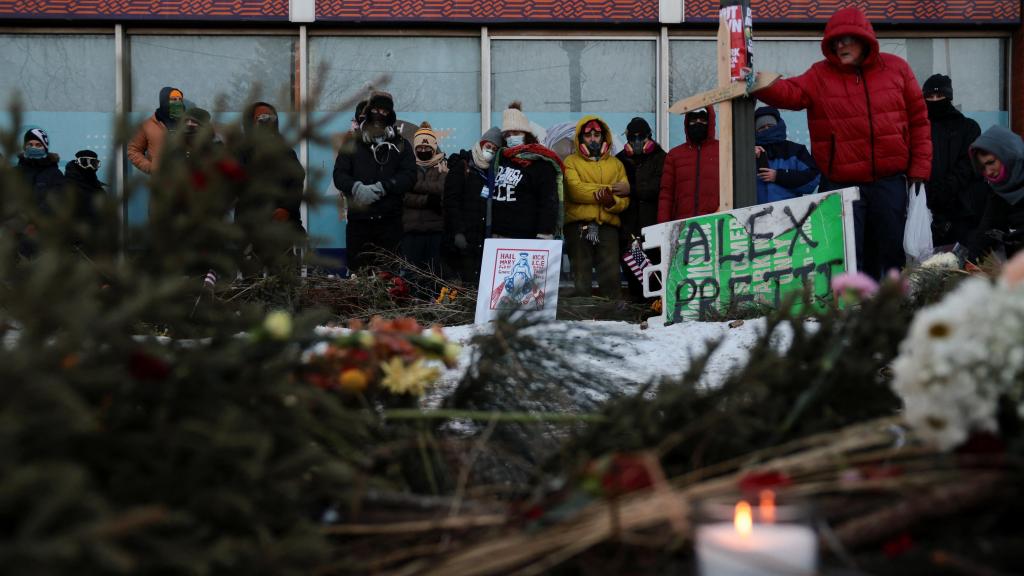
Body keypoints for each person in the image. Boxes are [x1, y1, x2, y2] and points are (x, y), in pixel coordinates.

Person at [755, 6, 932, 279]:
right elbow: (791, 92)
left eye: (846, 38)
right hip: (843, 183)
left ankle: (891, 308)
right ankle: (852, 313)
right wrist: (756, 83)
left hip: (890, 181)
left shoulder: (897, 69)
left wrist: (919, 169)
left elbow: (920, 121)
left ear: (864, 39)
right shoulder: (819, 75)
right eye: (835, 41)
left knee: (890, 252)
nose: (840, 45)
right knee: (848, 255)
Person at [332, 90, 416, 272]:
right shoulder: (351, 143)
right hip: (359, 223)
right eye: (376, 109)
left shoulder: (401, 145)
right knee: (359, 277)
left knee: (389, 278)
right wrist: (355, 187)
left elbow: (409, 176)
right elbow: (339, 174)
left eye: (385, 112)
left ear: (390, 116)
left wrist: (383, 187)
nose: (380, 115)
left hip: (389, 224)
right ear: (368, 112)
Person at [564, 115, 630, 299]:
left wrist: (613, 202)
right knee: (581, 275)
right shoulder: (571, 162)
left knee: (611, 277)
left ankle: (613, 314)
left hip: (608, 226)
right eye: (588, 135)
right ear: (580, 139)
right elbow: (576, 191)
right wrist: (609, 192)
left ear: (604, 137)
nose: (593, 139)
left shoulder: (616, 164)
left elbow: (625, 200)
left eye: (597, 135)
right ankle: (581, 313)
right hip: (578, 226)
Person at [921, 74, 988, 249]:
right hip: (927, 210)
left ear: (949, 97)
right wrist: (929, 194)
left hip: (963, 209)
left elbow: (970, 164)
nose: (935, 100)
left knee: (963, 264)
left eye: (939, 96)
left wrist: (944, 189)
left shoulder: (968, 127)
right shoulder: (919, 128)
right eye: (930, 97)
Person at [489, 102, 561, 240]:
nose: (511, 137)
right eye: (507, 134)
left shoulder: (541, 163)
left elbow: (548, 201)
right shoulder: (501, 158)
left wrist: (545, 232)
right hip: (498, 234)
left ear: (526, 134)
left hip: (526, 236)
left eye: (516, 133)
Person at [443, 126, 503, 285]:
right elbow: (451, 202)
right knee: (462, 282)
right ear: (481, 144)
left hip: (481, 238)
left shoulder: (494, 172)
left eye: (495, 149)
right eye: (488, 146)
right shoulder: (463, 166)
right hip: (462, 238)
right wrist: (458, 232)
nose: (490, 151)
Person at [614, 117, 664, 301]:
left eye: (640, 137)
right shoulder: (619, 160)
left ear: (649, 137)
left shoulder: (661, 157)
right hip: (628, 228)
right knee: (633, 274)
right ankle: (637, 309)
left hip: (652, 227)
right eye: (632, 138)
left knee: (654, 274)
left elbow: (659, 188)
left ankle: (654, 309)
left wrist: (631, 190)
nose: (636, 142)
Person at [238, 101, 306, 234]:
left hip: (285, 223)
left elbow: (297, 180)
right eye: (262, 118)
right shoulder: (241, 151)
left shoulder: (286, 150)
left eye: (271, 117)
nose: (267, 121)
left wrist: (286, 209)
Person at [967, 126, 1024, 261]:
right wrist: (968, 261)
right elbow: (985, 231)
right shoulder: (998, 191)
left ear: (1007, 154)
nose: (988, 172)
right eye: (983, 167)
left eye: (991, 162)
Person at [658, 106, 719, 223]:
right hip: (682, 227)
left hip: (717, 225)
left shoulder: (723, 150)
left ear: (710, 121)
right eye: (693, 120)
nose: (698, 123)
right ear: (687, 123)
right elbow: (666, 194)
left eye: (702, 120)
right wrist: (663, 227)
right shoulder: (674, 155)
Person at [402, 121, 447, 276]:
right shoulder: (408, 167)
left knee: (433, 274)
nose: (423, 150)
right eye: (419, 148)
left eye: (427, 148)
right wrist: (427, 200)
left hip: (435, 231)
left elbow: (442, 190)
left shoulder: (443, 167)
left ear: (433, 148)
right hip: (411, 230)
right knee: (411, 275)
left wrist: (415, 185)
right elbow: (404, 196)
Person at [753, 106, 820, 204]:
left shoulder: (795, 150)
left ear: (778, 125)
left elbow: (813, 180)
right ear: (755, 131)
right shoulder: (748, 153)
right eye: (762, 127)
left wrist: (778, 176)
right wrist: (748, 156)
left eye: (770, 126)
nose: (767, 129)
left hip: (789, 214)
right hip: (754, 216)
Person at [128, 86, 185, 175]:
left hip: (187, 180)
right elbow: (133, 150)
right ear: (164, 101)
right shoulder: (148, 125)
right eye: (173, 99)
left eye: (180, 99)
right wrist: (151, 167)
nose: (177, 102)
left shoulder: (188, 123)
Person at [63, 150, 105, 248]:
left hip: (94, 245)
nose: (89, 167)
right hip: (71, 245)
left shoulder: (99, 190)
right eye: (85, 162)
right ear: (77, 162)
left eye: (93, 163)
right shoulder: (65, 186)